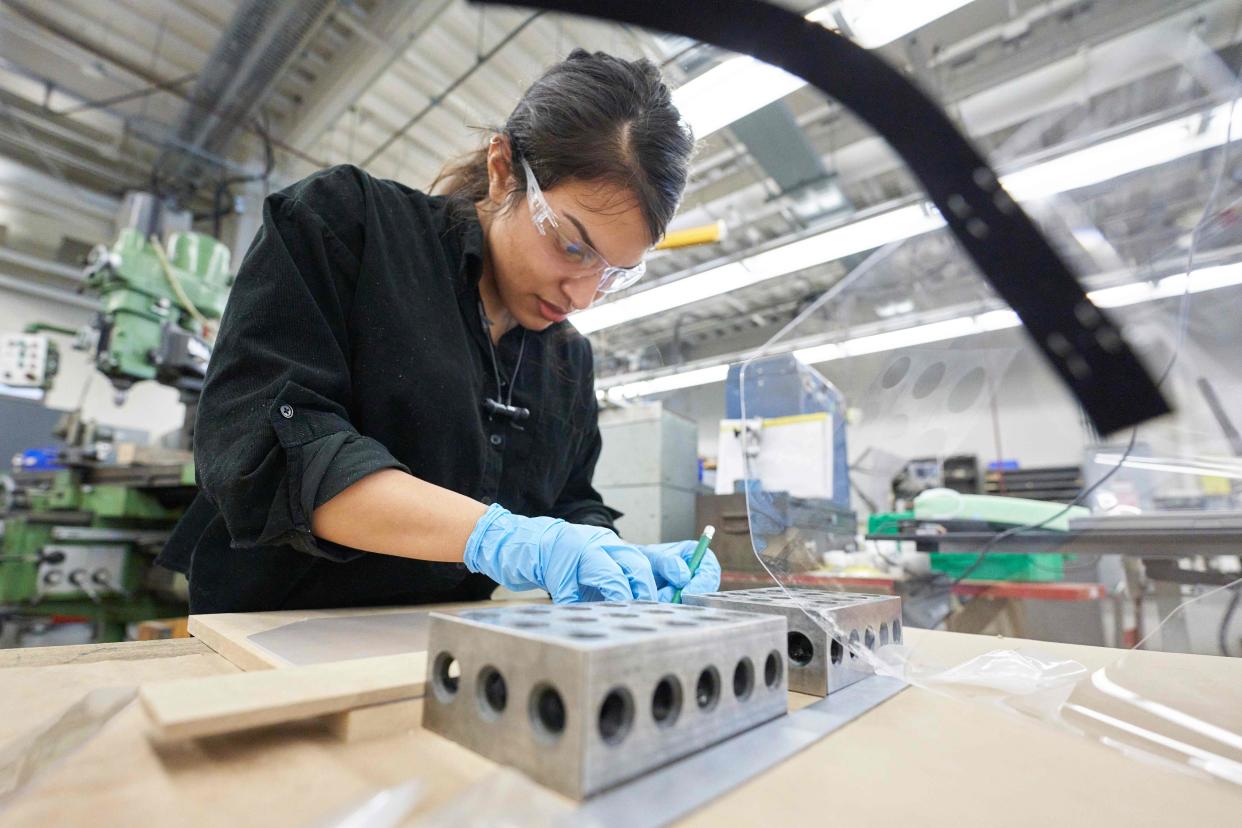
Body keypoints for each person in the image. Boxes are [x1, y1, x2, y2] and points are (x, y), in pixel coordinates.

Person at [158, 50, 721, 613]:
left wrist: (612, 556)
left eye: (612, 274)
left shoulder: (567, 359)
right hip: (276, 630)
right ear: (503, 173)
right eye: (571, 246)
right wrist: (501, 539)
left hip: (445, 638)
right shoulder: (345, 225)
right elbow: (272, 451)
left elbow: (570, 500)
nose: (581, 294)